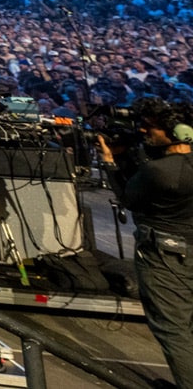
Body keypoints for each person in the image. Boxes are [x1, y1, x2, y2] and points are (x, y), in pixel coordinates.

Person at [98, 98, 193, 388]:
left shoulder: (160, 172)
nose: (143, 131)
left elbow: (128, 197)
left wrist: (110, 162)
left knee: (173, 328)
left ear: (176, 132)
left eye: (151, 128)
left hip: (166, 257)